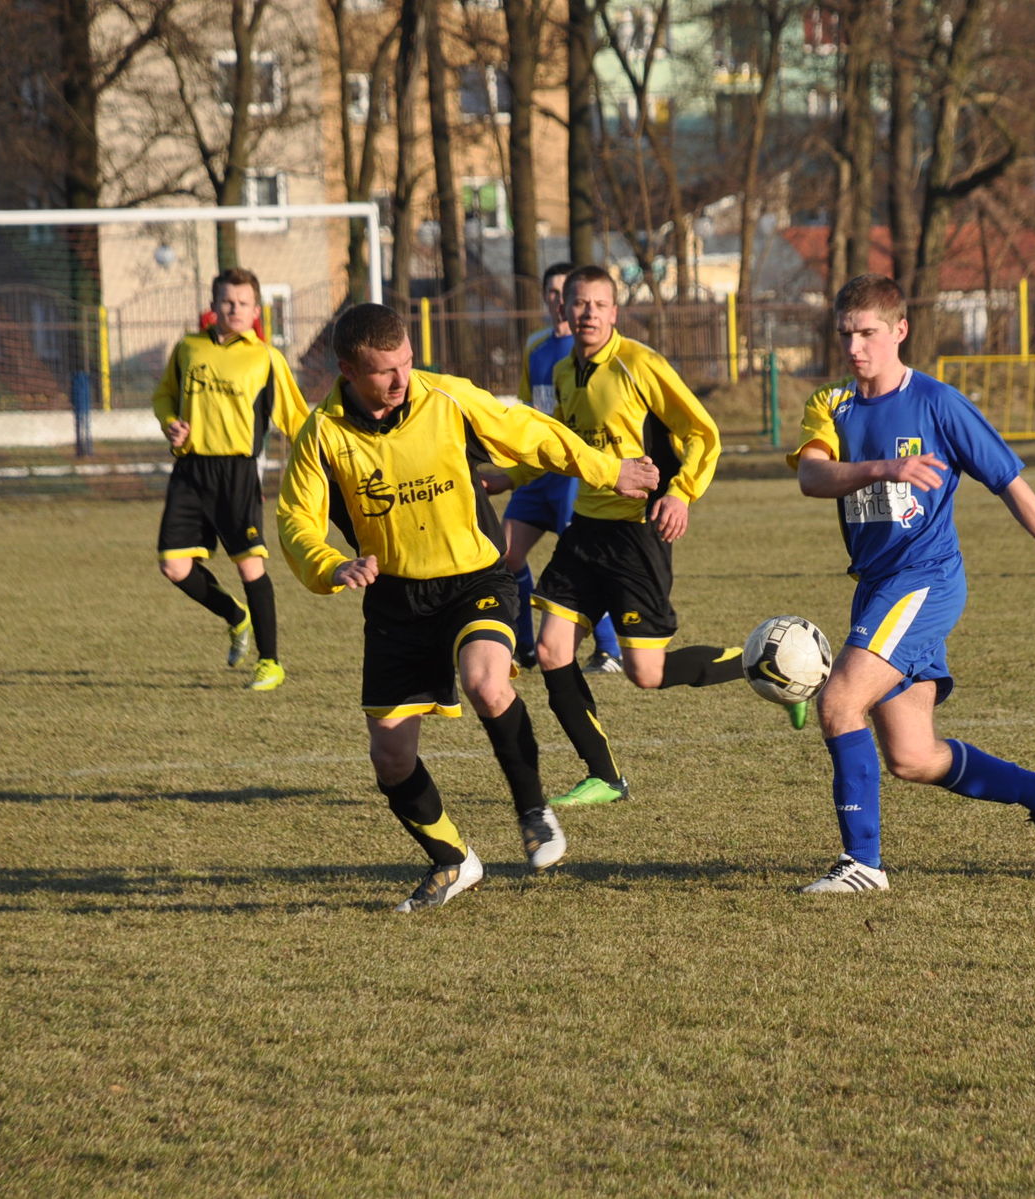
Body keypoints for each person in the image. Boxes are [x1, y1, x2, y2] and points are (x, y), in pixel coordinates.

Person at [276, 303, 659, 912]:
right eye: (385, 372)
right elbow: (295, 521)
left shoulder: (446, 398)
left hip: (474, 579)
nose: (402, 380)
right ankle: (454, 861)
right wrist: (330, 565)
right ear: (348, 370)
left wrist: (608, 469)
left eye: (405, 363)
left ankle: (533, 811)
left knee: (485, 682)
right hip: (395, 602)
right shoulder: (323, 434)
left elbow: (532, 431)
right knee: (391, 758)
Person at [788, 274, 1035, 895]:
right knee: (911, 757)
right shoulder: (831, 404)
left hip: (925, 581)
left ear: (900, 330)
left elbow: (1010, 481)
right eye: (846, 335)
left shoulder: (938, 403)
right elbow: (811, 477)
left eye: (869, 334)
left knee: (838, 702)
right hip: (876, 584)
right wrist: (886, 466)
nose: (856, 347)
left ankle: (863, 865)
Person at [493, 264, 766, 811]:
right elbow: (559, 449)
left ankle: (760, 662)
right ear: (565, 310)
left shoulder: (639, 364)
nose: (588, 311)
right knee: (551, 650)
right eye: (579, 302)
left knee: (647, 673)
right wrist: (502, 476)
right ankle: (603, 774)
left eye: (598, 303)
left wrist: (682, 492)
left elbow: (702, 433)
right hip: (585, 530)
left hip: (636, 535)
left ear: (614, 312)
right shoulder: (567, 372)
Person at [152, 268, 309, 691]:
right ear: (213, 305)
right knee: (174, 565)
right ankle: (235, 615)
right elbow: (164, 394)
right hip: (190, 470)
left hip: (237, 472)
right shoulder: (188, 348)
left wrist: (326, 463)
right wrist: (171, 423)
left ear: (256, 310)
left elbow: (296, 419)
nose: (234, 308)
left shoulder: (266, 358)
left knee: (250, 566)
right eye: (226, 301)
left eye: (243, 303)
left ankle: (271, 662)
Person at [503, 262, 625, 675]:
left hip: (576, 472)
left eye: (564, 293)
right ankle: (523, 645)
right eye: (552, 293)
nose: (559, 301)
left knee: (583, 560)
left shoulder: (593, 352)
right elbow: (525, 410)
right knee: (506, 550)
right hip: (538, 471)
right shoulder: (536, 347)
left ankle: (608, 649)